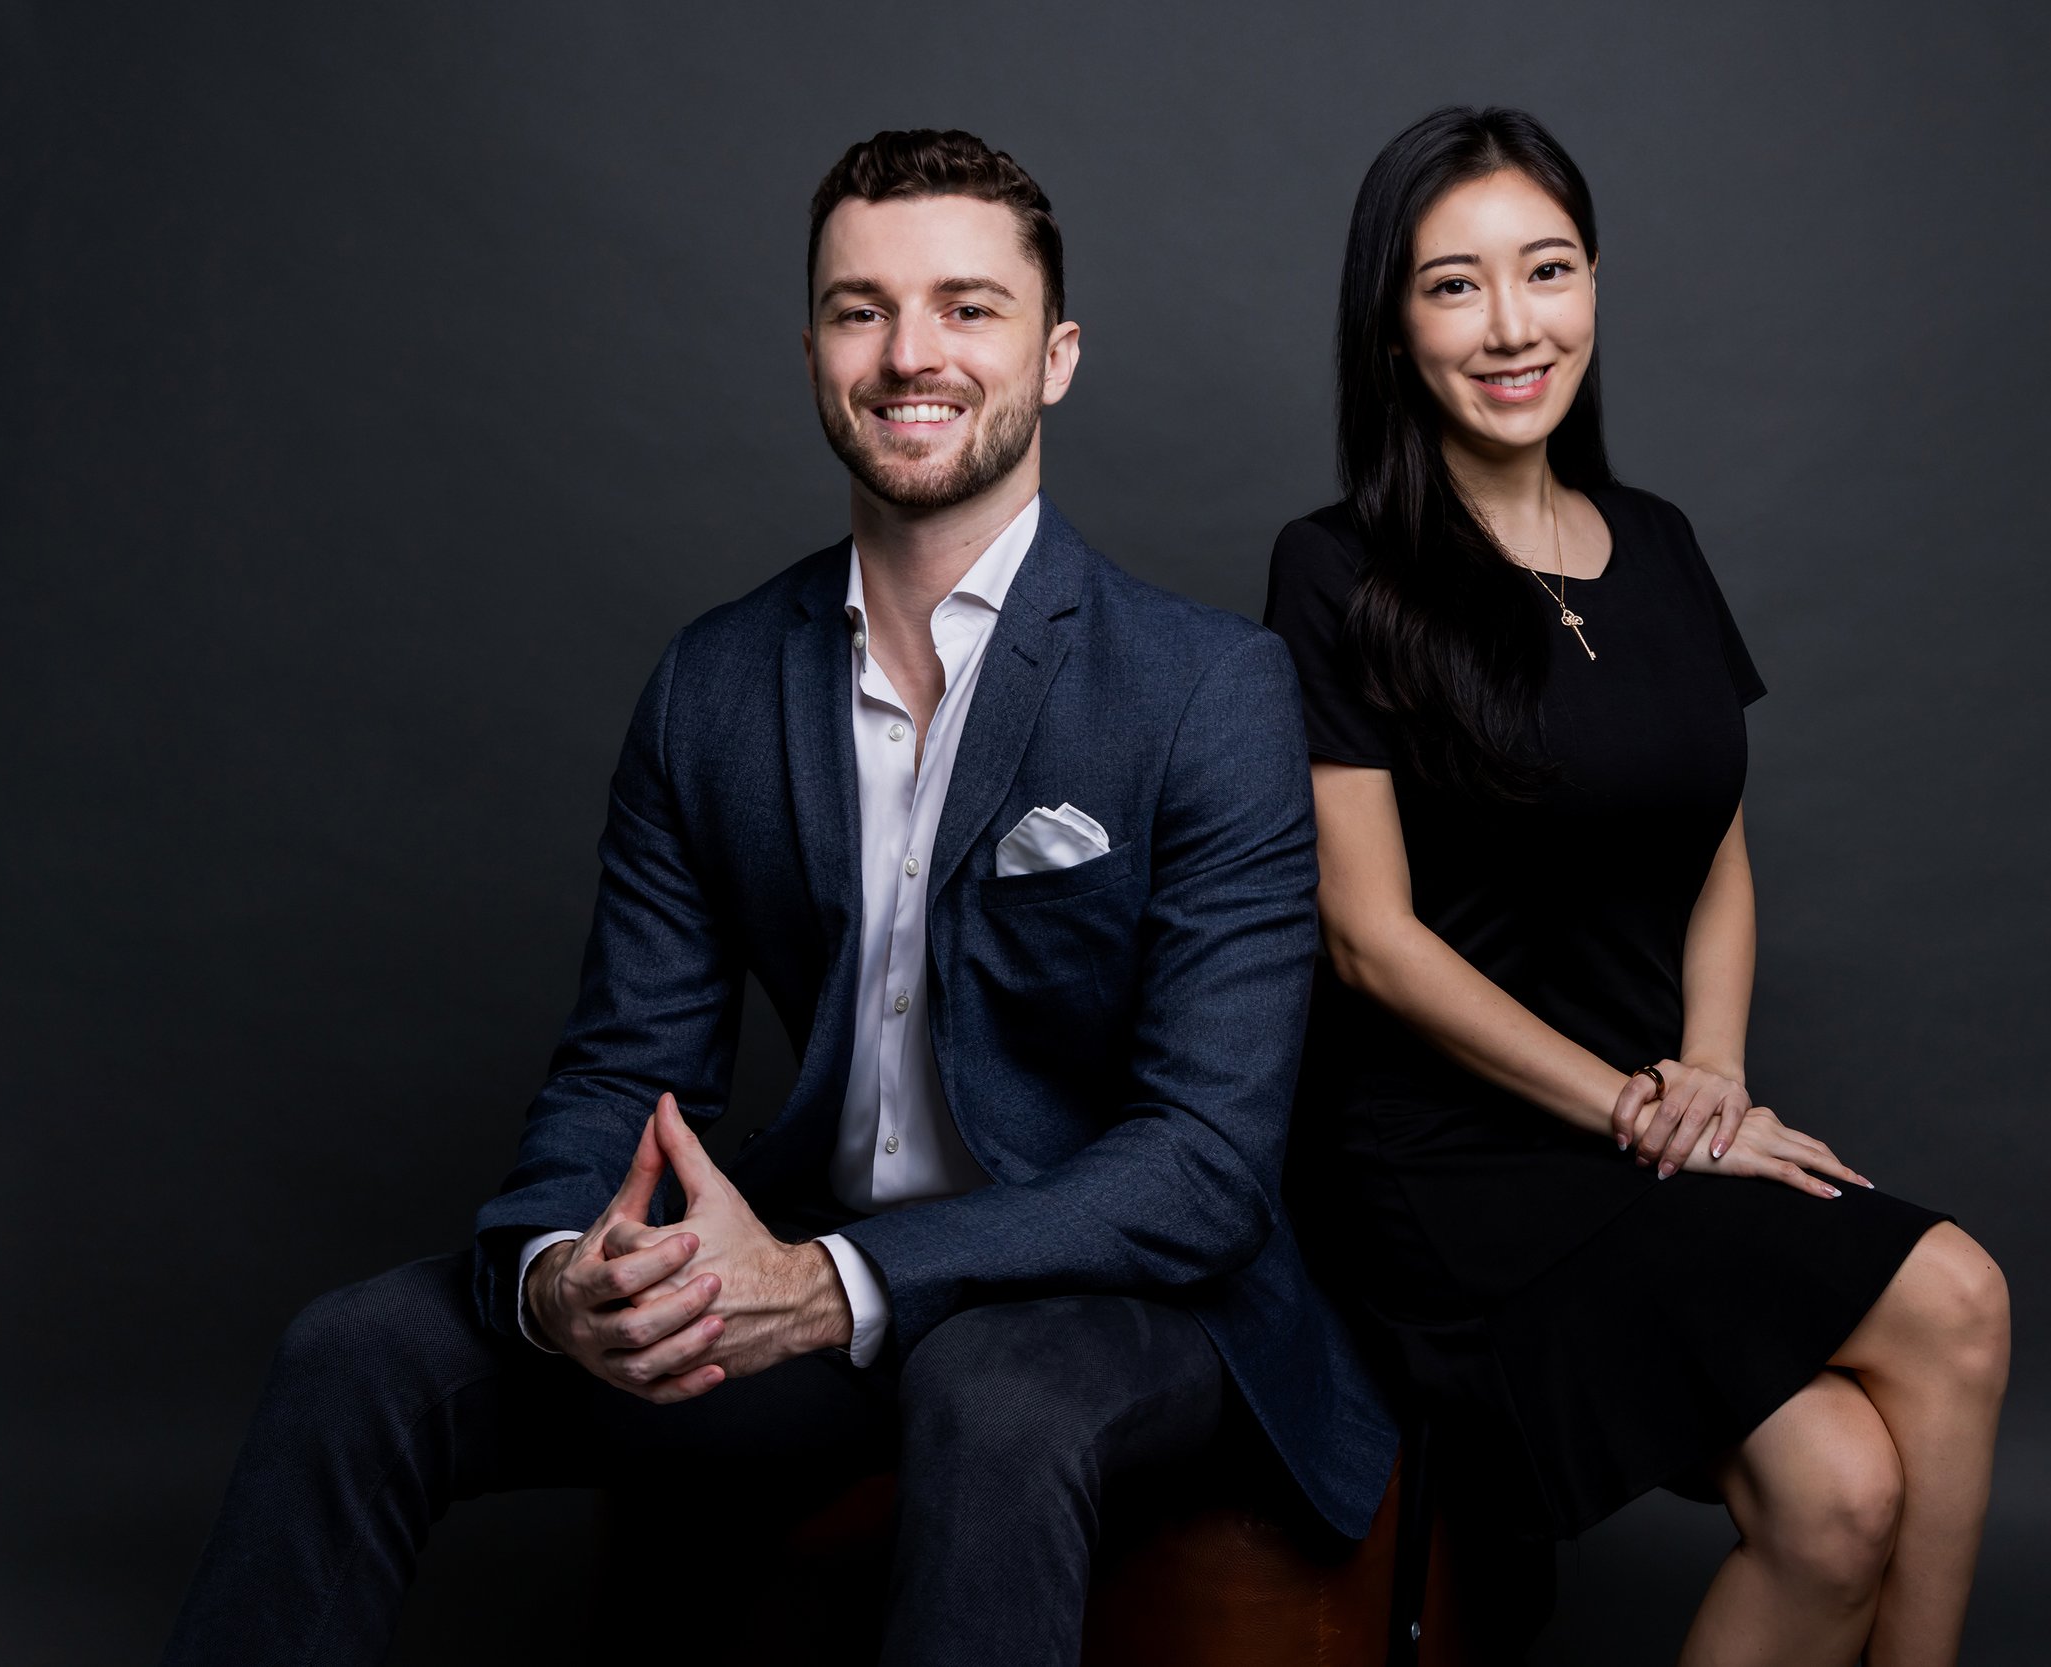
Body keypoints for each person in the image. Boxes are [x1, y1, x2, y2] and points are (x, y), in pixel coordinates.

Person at [162, 127, 1394, 1667]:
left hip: (1117, 1298)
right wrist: (560, 1278)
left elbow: (1203, 1170)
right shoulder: (713, 684)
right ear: (813, 345)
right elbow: (626, 1066)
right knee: (359, 1353)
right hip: (804, 1274)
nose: (908, 354)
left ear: (1056, 354)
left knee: (992, 1389)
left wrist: (830, 1286)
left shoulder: (1205, 688)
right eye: (859, 308)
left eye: (966, 306)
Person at [1263, 107, 2010, 1666]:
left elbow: (1713, 841)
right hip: (1453, 1168)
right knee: (1955, 1298)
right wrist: (1628, 1107)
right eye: (1454, 286)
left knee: (1837, 1498)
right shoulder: (1338, 570)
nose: (1515, 326)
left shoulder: (1659, 545)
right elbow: (1368, 939)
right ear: (1393, 327)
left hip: (1654, 1125)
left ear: (1595, 284)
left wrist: (1717, 1082)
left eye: (1548, 271)